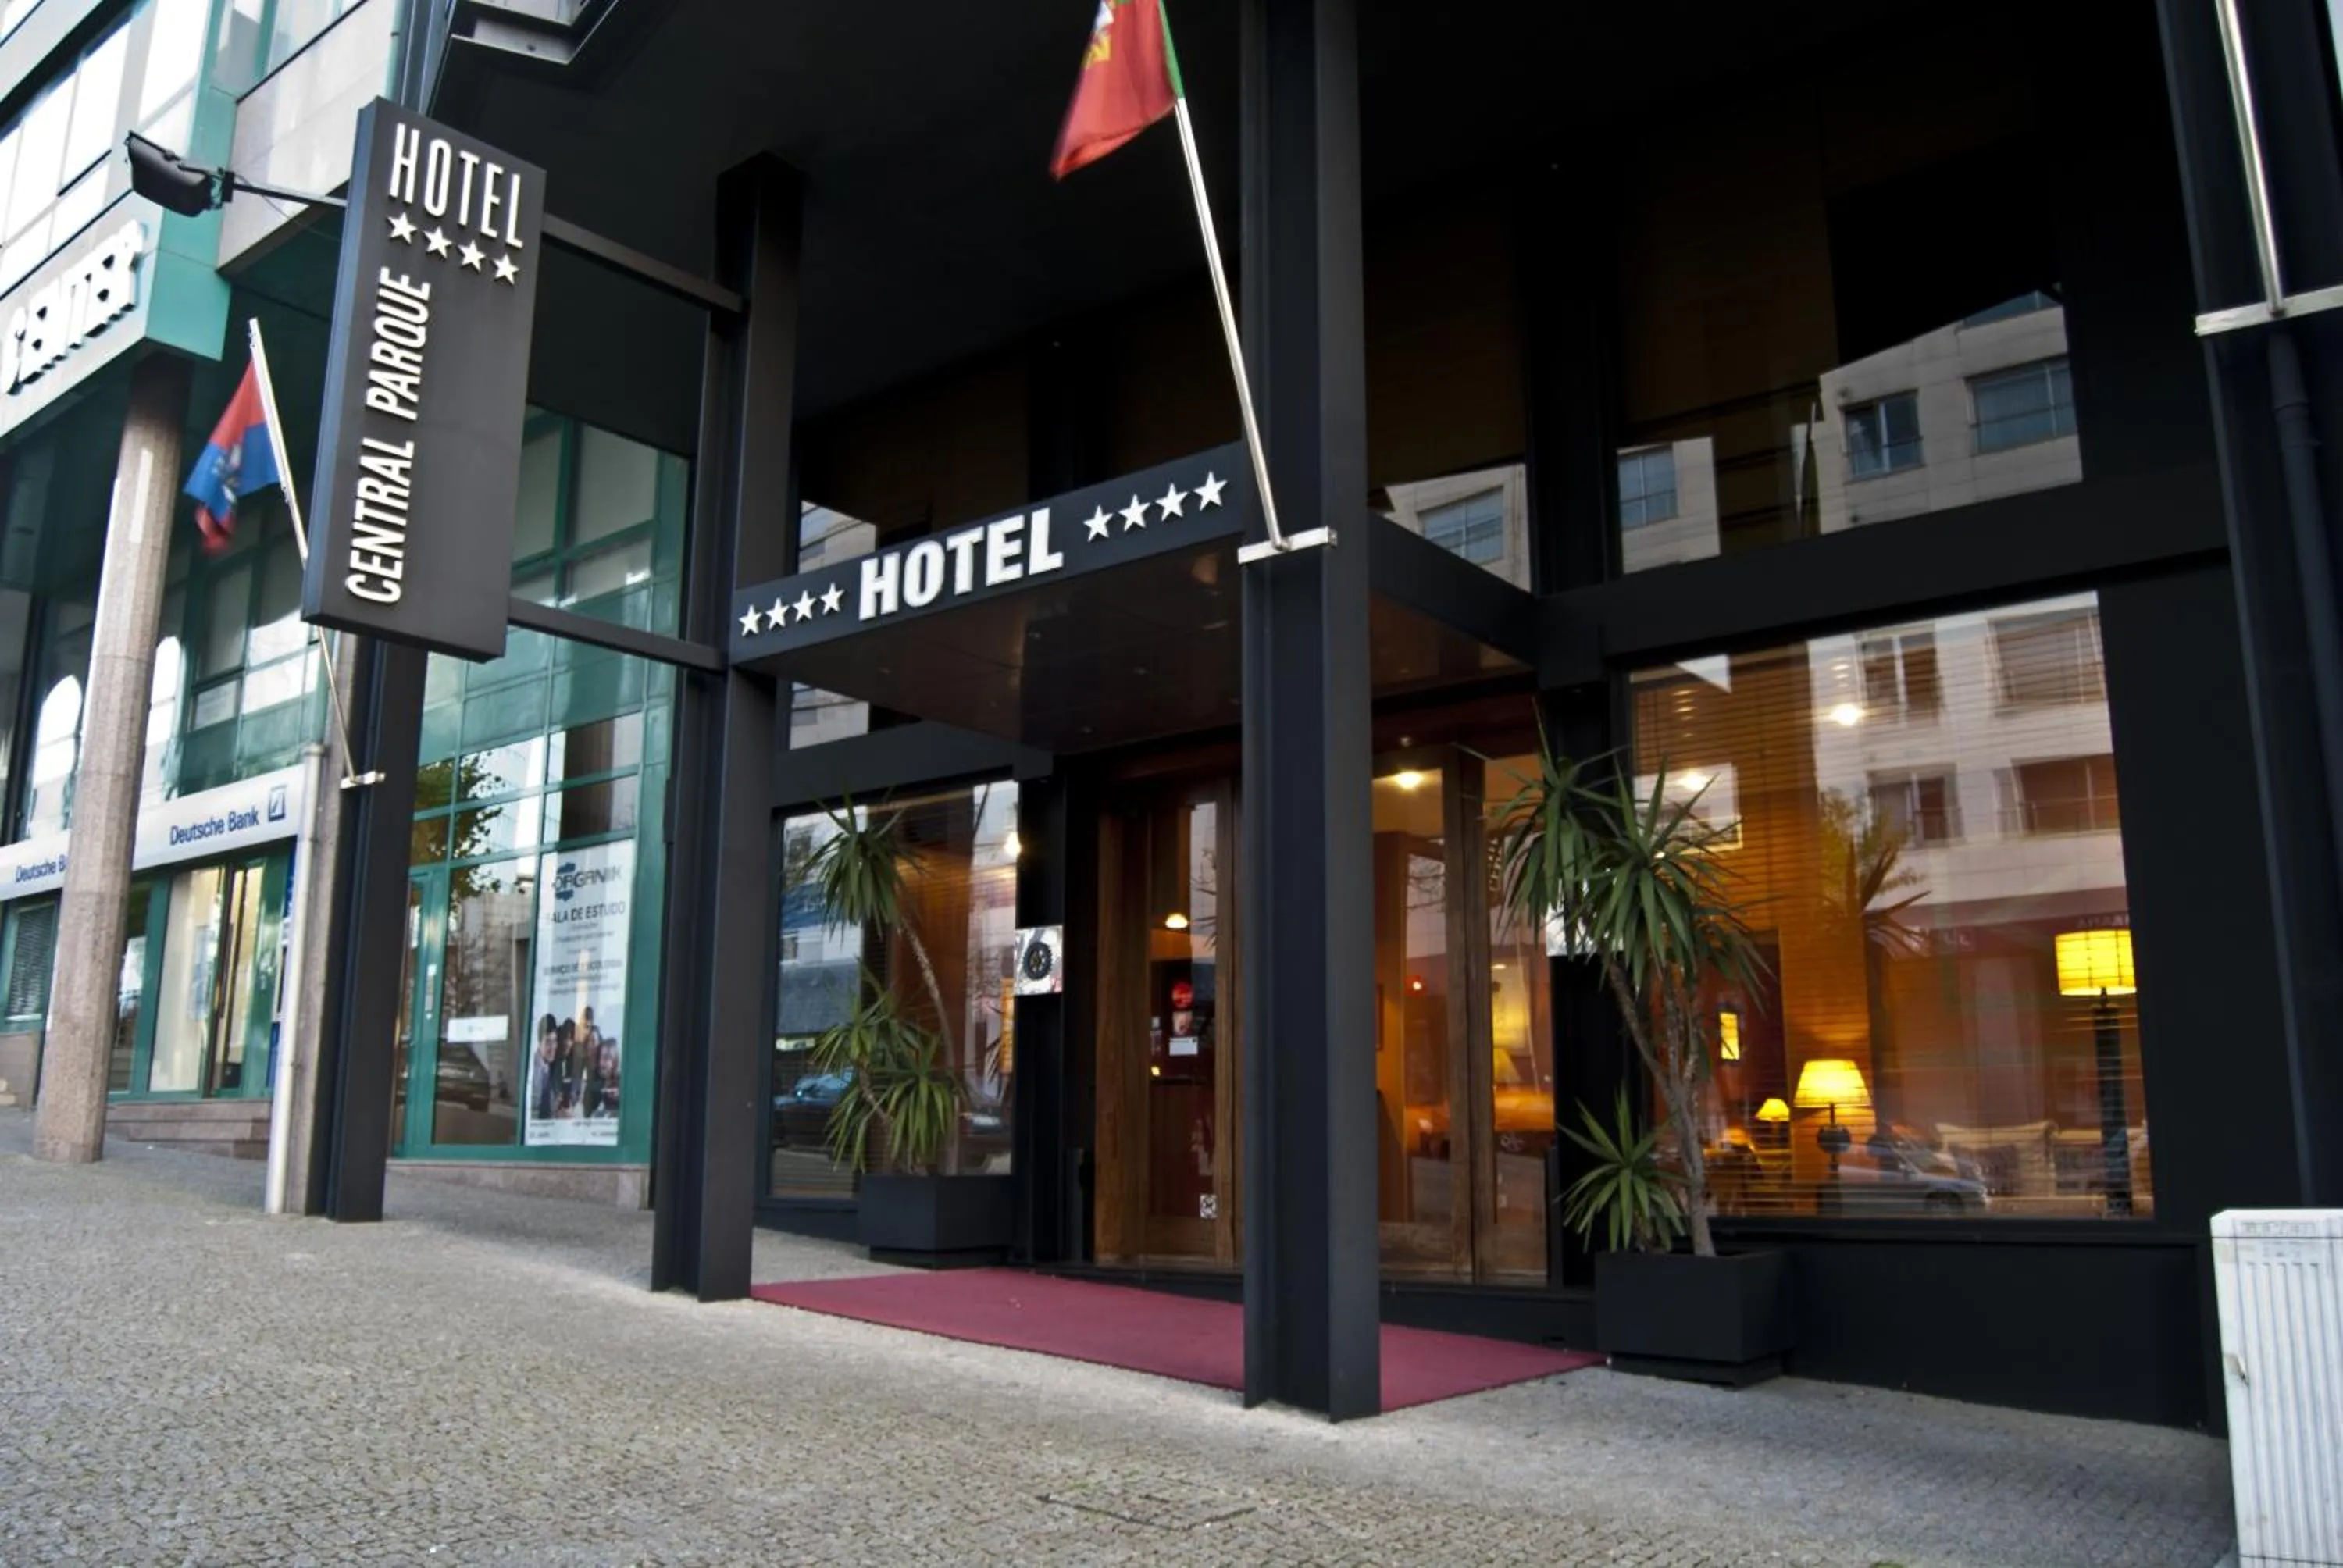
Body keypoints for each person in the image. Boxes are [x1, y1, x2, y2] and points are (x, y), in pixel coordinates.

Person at [528, 1014, 559, 1122]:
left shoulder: (552, 1067)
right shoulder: (531, 1070)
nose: (553, 1047)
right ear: (539, 1042)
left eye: (555, 1041)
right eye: (548, 1042)